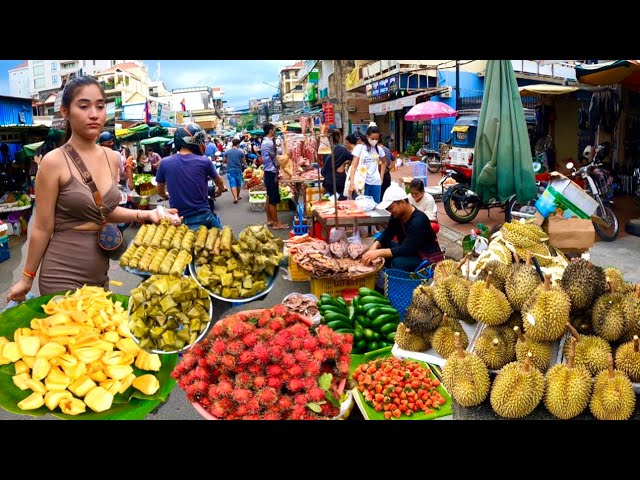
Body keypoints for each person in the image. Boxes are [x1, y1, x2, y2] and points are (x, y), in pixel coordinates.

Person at [6, 76, 175, 302]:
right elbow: (42, 227)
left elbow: (103, 212)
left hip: (99, 273)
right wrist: (27, 278)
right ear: (66, 112)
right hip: (62, 274)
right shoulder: (53, 161)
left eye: (100, 106)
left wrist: (148, 213)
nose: (94, 113)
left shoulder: (111, 158)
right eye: (84, 106)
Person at [156, 122, 227, 230]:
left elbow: (160, 190)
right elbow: (219, 181)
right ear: (193, 140)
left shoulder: (164, 162)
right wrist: (221, 189)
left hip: (179, 220)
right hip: (204, 217)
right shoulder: (204, 161)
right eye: (201, 140)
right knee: (225, 238)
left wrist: (166, 196)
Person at [361, 183, 442, 272]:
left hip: (423, 255)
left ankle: (394, 277)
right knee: (381, 244)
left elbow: (406, 249)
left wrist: (378, 253)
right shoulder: (396, 216)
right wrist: (374, 247)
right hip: (409, 250)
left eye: (391, 208)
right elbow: (388, 233)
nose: (390, 211)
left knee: (398, 262)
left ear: (402, 202)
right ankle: (386, 273)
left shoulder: (419, 221)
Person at [348, 125, 385, 203]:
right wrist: (351, 183)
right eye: (372, 138)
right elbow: (353, 166)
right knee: (362, 206)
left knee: (375, 206)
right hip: (362, 182)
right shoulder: (360, 148)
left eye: (376, 139)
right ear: (367, 136)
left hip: (376, 182)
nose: (374, 141)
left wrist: (381, 177)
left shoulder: (379, 149)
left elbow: (384, 162)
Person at [261, 122, 288, 230]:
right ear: (271, 130)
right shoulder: (268, 143)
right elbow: (277, 156)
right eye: (274, 129)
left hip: (268, 172)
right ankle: (276, 223)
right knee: (273, 199)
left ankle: (270, 220)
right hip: (271, 172)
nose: (275, 131)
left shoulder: (266, 142)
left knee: (269, 196)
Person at [321, 129, 352, 200]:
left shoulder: (325, 149)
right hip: (339, 182)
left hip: (328, 181)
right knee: (340, 205)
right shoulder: (343, 149)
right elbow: (354, 159)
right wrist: (344, 163)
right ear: (339, 137)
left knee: (329, 204)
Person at [223, 138, 246, 203]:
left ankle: (235, 198)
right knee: (238, 184)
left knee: (232, 184)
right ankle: (238, 196)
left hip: (230, 169)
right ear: (238, 144)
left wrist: (229, 161)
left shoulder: (227, 151)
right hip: (238, 169)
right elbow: (244, 161)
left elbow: (224, 160)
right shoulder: (241, 152)